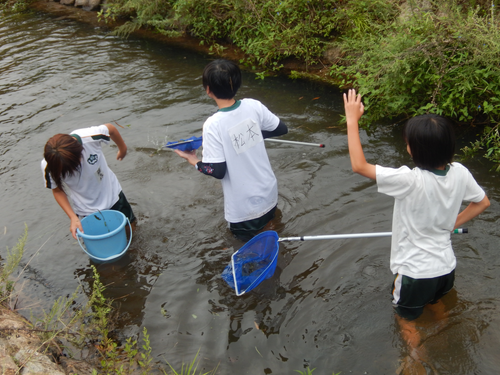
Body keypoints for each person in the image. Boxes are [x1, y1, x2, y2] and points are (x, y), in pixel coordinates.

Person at [343, 89, 490, 362]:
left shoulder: (409, 180)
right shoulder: (460, 172)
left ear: (412, 150)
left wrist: (352, 120)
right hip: (445, 267)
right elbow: (483, 203)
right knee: (437, 304)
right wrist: (452, 224)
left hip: (414, 273)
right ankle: (447, 337)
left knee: (405, 319)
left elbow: (358, 165)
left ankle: (415, 360)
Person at [175, 59, 288, 241]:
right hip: (269, 193)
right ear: (237, 83)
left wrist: (193, 160)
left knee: (245, 251)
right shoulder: (253, 105)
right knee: (271, 229)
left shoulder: (213, 124)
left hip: (245, 208)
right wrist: (251, 134)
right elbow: (281, 128)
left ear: (208, 90)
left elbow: (217, 170)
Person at [42, 123, 136, 239]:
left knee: (130, 229)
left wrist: (123, 149)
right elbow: (57, 191)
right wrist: (73, 217)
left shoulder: (89, 138)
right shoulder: (49, 165)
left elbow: (111, 129)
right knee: (99, 239)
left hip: (113, 195)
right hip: (86, 209)